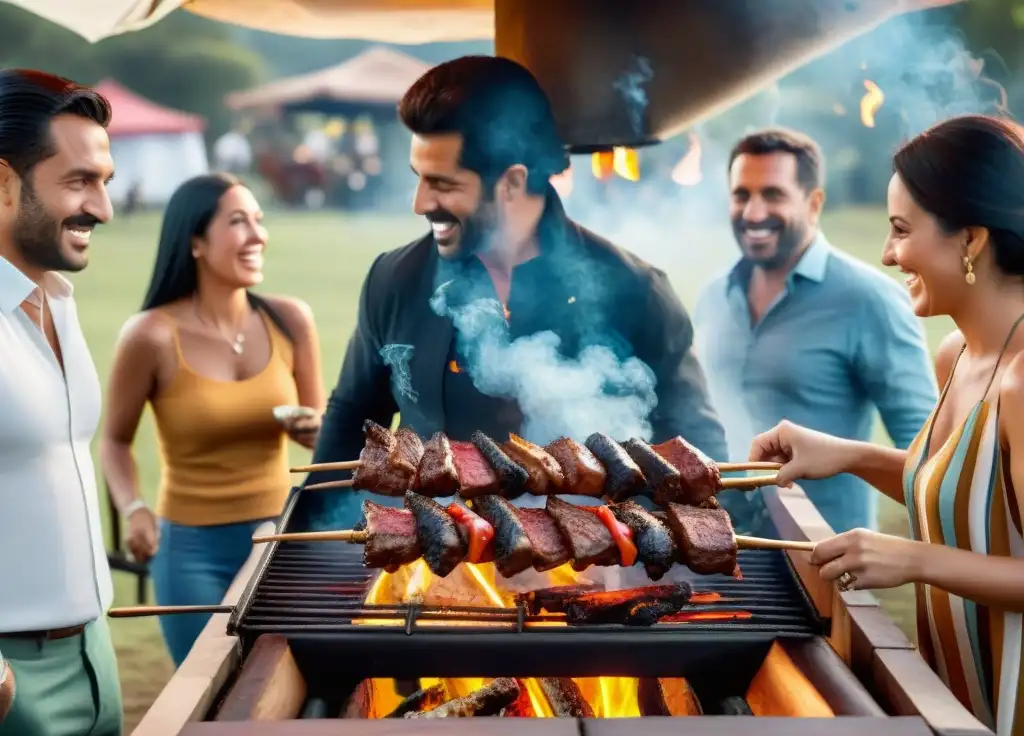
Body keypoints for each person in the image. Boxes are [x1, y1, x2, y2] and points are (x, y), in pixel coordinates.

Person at [307, 55, 739, 528]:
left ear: (511, 181)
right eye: (419, 178)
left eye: (443, 184)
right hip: (434, 573)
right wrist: (307, 534)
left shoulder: (635, 290)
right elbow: (351, 414)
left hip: (586, 575)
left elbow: (695, 443)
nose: (420, 204)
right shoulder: (395, 279)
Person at [748, 114, 1024, 736]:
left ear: (972, 240)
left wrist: (910, 560)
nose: (887, 254)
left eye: (901, 230)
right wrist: (847, 454)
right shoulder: (957, 355)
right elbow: (976, 498)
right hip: (955, 697)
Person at [99, 172, 325, 667]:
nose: (257, 235)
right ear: (196, 241)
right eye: (238, 221)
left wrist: (314, 430)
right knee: (207, 690)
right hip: (190, 552)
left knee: (280, 683)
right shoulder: (151, 335)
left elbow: (325, 435)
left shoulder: (290, 320)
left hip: (279, 542)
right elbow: (114, 441)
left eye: (259, 221)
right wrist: (134, 508)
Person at [693, 127, 938, 533]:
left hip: (824, 556)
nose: (753, 213)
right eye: (742, 195)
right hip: (722, 546)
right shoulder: (713, 294)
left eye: (772, 194)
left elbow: (926, 453)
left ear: (814, 203)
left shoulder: (870, 299)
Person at [0, 68, 123, 736]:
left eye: (104, 179)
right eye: (79, 181)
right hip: (14, 682)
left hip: (96, 653)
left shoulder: (59, 301)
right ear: (4, 182)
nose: (103, 207)